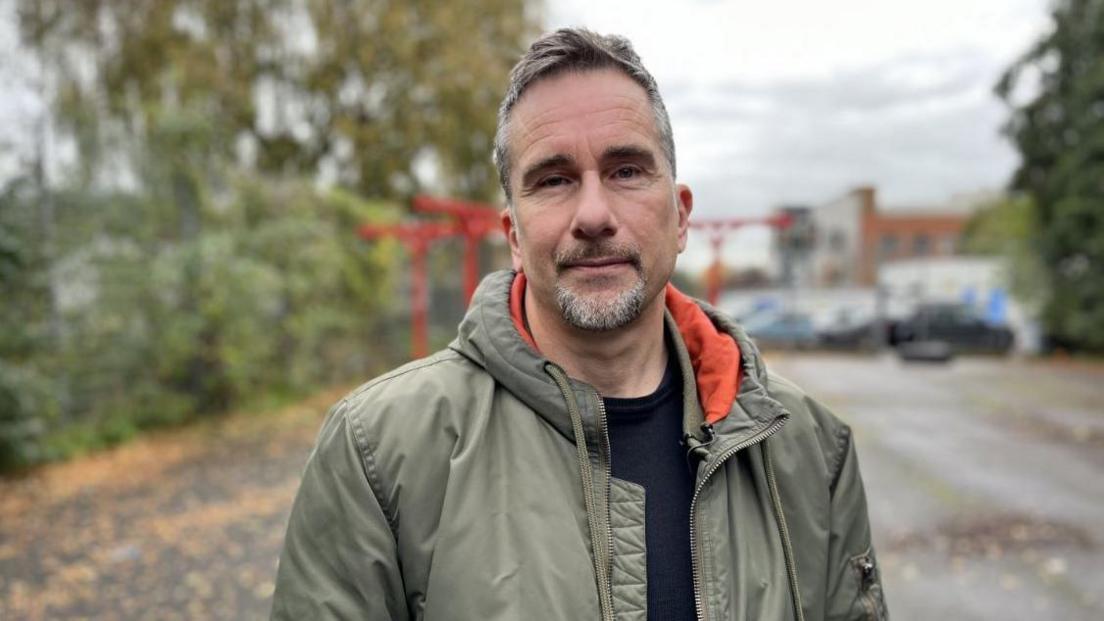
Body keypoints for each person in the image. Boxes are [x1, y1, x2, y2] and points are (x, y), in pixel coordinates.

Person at [272, 28, 888, 621]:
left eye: (626, 171)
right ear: (514, 236)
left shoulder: (809, 449)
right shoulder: (379, 454)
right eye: (554, 180)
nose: (594, 214)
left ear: (680, 217)